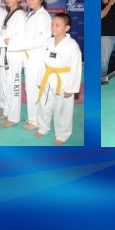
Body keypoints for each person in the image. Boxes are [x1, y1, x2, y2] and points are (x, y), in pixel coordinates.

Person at [0, 0, 52, 130]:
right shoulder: (31, 14)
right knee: (30, 90)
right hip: (28, 58)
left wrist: (14, 43)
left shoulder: (42, 16)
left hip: (37, 59)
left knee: (35, 91)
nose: (31, 0)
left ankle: (35, 121)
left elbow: (38, 41)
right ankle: (32, 118)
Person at [34, 13, 82, 145]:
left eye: (57, 25)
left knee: (63, 110)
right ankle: (43, 127)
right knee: (44, 105)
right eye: (52, 25)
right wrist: (40, 80)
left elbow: (76, 68)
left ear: (66, 28)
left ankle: (62, 135)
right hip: (47, 78)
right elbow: (42, 62)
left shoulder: (72, 45)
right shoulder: (48, 42)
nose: (53, 28)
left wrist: (71, 88)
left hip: (64, 81)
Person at [0, 0, 27, 126]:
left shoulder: (20, 15)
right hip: (4, 55)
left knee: (13, 87)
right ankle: (7, 112)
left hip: (14, 57)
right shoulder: (8, 14)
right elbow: (5, 35)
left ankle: (14, 118)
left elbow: (19, 40)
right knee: (4, 86)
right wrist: (0, 37)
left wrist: (1, 39)